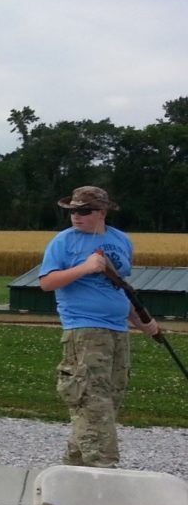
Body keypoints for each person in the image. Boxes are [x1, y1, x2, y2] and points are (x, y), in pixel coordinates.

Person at [38, 186, 159, 468]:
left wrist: (143, 322)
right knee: (92, 402)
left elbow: (118, 289)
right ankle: (103, 469)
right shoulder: (64, 242)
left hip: (118, 331)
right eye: (71, 211)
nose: (75, 217)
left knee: (110, 399)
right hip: (85, 331)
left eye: (84, 211)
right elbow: (47, 283)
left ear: (102, 212)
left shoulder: (121, 240)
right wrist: (86, 267)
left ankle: (72, 470)